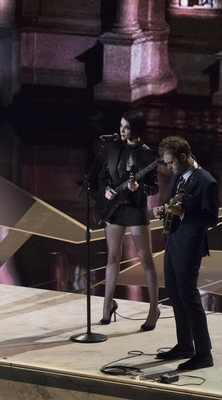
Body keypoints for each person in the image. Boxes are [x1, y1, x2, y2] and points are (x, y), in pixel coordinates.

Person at [153, 136, 218, 370]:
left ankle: (204, 353)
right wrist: (164, 209)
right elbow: (174, 201)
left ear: (183, 156)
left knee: (189, 297)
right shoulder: (178, 175)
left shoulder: (206, 182)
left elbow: (211, 218)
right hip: (173, 241)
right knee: (175, 293)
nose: (168, 168)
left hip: (190, 245)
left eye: (170, 163)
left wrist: (182, 213)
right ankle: (184, 345)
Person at [98, 110, 161, 330]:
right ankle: (107, 306)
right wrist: (106, 189)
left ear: (135, 129)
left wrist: (140, 187)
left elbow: (154, 187)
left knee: (146, 261)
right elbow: (104, 176)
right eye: (121, 126)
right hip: (115, 209)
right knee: (112, 258)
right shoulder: (115, 149)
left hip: (135, 209)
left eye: (126, 127)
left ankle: (154, 309)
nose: (121, 131)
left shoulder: (148, 155)